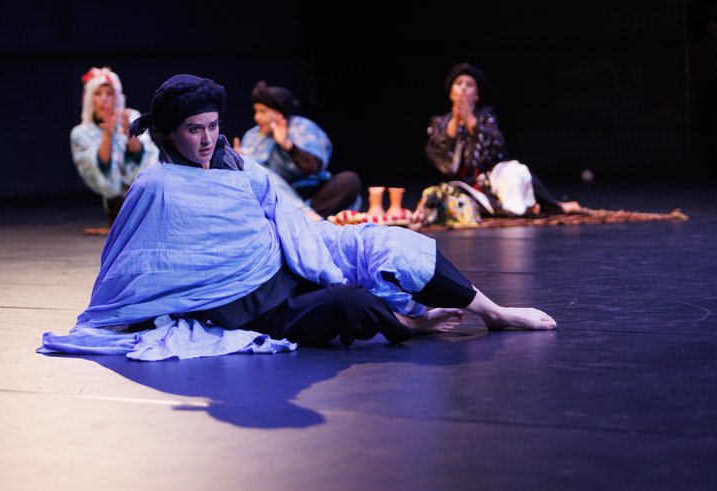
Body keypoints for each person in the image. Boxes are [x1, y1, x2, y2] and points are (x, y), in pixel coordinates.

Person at [39, 74, 556, 361]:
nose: (207, 139)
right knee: (349, 301)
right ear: (170, 133)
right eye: (194, 129)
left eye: (213, 126)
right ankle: (411, 324)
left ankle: (492, 310)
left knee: (389, 242)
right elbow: (133, 259)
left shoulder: (238, 164)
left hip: (290, 257)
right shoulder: (157, 184)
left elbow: (281, 209)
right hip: (254, 307)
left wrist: (312, 241)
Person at [424, 62, 581, 216]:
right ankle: (520, 208)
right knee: (446, 198)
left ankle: (547, 205)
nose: (463, 88)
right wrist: (455, 122)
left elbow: (493, 148)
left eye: (469, 84)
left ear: (477, 95)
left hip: (492, 181)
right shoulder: (440, 123)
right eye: (458, 84)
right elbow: (440, 160)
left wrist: (469, 119)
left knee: (516, 171)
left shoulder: (486, 117)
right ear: (451, 93)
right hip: (461, 188)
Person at [234, 81, 361, 221]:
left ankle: (300, 218)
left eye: (262, 111)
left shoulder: (302, 127)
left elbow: (314, 168)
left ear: (279, 113)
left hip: (311, 192)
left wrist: (287, 145)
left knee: (349, 181)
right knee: (262, 174)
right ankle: (306, 217)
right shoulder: (253, 135)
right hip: (277, 195)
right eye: (256, 111)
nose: (257, 117)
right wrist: (240, 160)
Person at [70, 66, 159, 225]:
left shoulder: (131, 116)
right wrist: (108, 133)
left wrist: (130, 133)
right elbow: (100, 169)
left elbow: (144, 156)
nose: (104, 99)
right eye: (98, 94)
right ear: (90, 99)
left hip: (141, 193)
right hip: (115, 201)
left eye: (109, 93)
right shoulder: (81, 133)